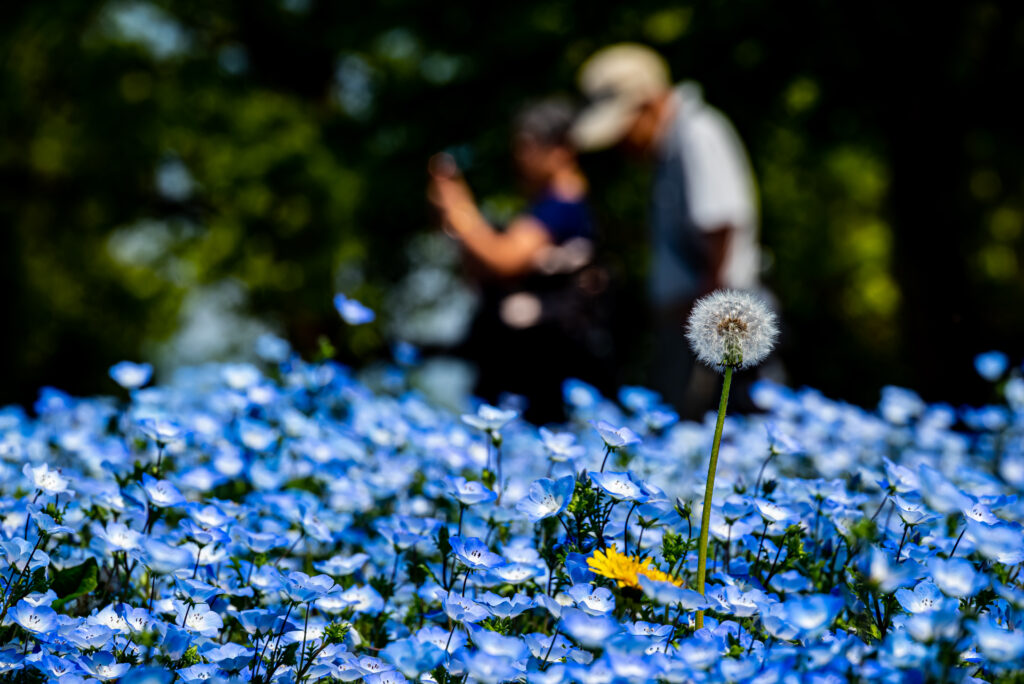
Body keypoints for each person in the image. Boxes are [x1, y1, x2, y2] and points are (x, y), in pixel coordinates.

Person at [570, 43, 763, 417]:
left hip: (719, 323)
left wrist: (708, 314)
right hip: (695, 322)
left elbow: (721, 222)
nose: (622, 145)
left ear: (649, 103)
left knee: (721, 437)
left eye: (623, 129)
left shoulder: (697, 133)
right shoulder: (672, 145)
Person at [428, 99, 610, 424]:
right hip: (521, 363)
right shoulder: (546, 206)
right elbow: (484, 272)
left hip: (542, 370)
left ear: (560, 150)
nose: (520, 158)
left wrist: (460, 210)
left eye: (528, 147)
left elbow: (505, 259)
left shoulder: (562, 206)